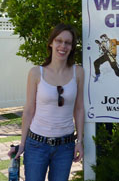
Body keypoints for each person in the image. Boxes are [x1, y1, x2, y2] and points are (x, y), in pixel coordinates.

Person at [8, 23, 84, 181]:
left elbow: (79, 109)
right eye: (59, 41)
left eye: (68, 42)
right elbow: (29, 110)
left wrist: (80, 141)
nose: (63, 46)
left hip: (65, 146)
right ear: (51, 43)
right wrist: (22, 144)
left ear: (72, 47)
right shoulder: (36, 73)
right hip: (36, 145)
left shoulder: (78, 72)